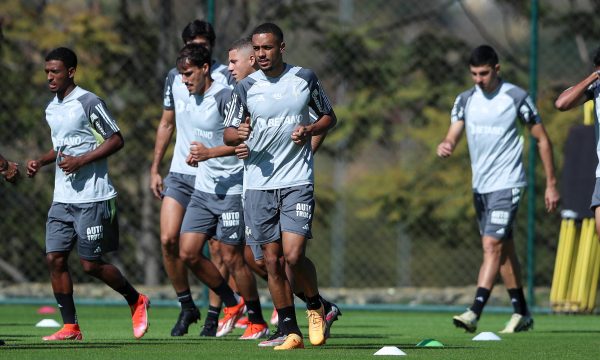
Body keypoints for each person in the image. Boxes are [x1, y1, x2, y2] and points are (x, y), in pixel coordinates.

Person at [224, 23, 337, 350]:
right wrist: (239, 135)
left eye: (267, 49)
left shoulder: (304, 78)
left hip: (297, 181)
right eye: (256, 50)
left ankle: (316, 306)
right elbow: (228, 133)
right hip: (258, 185)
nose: (261, 55)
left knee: (293, 254)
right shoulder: (245, 87)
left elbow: (329, 117)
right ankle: (291, 330)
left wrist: (310, 128)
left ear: (281, 48)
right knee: (269, 261)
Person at [26, 47, 150, 341]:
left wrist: (81, 161)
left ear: (71, 72)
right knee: (54, 258)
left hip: (93, 197)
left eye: (55, 71)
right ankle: (71, 326)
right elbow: (62, 147)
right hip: (62, 198)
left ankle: (135, 299)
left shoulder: (89, 102)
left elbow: (116, 139)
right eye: (47, 72)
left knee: (90, 264)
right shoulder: (51, 108)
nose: (50, 77)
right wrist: (41, 162)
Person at [437, 45, 559, 334]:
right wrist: (448, 144)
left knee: (491, 245)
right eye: (473, 74)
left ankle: (474, 311)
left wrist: (551, 184)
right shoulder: (465, 99)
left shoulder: (516, 97)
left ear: (497, 69)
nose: (478, 79)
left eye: (484, 73)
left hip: (509, 182)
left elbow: (542, 139)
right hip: (481, 186)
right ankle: (522, 313)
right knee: (503, 250)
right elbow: (455, 130)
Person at [174, 42, 269, 340]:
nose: (185, 79)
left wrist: (208, 154)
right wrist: (196, 155)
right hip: (204, 188)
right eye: (181, 75)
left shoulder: (225, 97)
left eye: (189, 73)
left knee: (232, 257)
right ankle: (231, 301)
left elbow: (240, 145)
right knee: (188, 253)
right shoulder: (190, 97)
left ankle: (257, 320)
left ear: (204, 69)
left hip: (231, 188)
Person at [149, 19, 234, 337]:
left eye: (204, 44)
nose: (199, 48)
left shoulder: (226, 78)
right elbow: (167, 123)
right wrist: (155, 167)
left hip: (213, 175)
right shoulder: (175, 76)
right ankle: (187, 305)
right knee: (169, 240)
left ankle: (216, 314)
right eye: (193, 43)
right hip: (181, 174)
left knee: (216, 250)